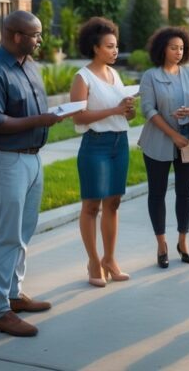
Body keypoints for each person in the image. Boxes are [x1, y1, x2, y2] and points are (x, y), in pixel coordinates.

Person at [0, 10, 66, 338]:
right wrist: (40, 121)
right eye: (35, 35)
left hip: (32, 158)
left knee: (24, 232)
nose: (40, 40)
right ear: (16, 36)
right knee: (6, 235)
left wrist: (49, 116)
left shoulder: (30, 66)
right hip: (6, 161)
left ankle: (13, 296)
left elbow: (34, 112)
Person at [69, 17, 135, 287]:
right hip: (95, 145)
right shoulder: (82, 77)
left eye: (116, 46)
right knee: (92, 205)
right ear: (95, 47)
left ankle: (110, 259)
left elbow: (122, 115)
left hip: (119, 143)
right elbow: (78, 117)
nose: (115, 51)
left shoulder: (114, 74)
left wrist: (127, 112)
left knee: (113, 203)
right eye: (109, 46)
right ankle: (94, 261)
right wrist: (115, 110)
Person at [139, 27, 189, 268]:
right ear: (162, 49)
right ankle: (162, 245)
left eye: (181, 48)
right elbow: (148, 110)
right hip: (158, 141)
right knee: (157, 193)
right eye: (173, 48)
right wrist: (173, 135)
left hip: (188, 141)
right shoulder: (150, 76)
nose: (178, 52)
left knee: (185, 193)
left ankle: (183, 241)